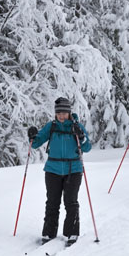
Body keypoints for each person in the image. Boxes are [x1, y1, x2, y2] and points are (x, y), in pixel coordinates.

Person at [27, 97, 91, 246]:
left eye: (64, 113)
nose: (61, 116)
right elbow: (36, 143)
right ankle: (49, 233)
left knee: (70, 201)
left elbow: (87, 147)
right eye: (59, 113)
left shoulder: (77, 127)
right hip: (53, 170)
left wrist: (81, 137)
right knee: (52, 202)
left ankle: (72, 233)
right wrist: (32, 136)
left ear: (69, 113)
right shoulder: (51, 126)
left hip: (73, 170)